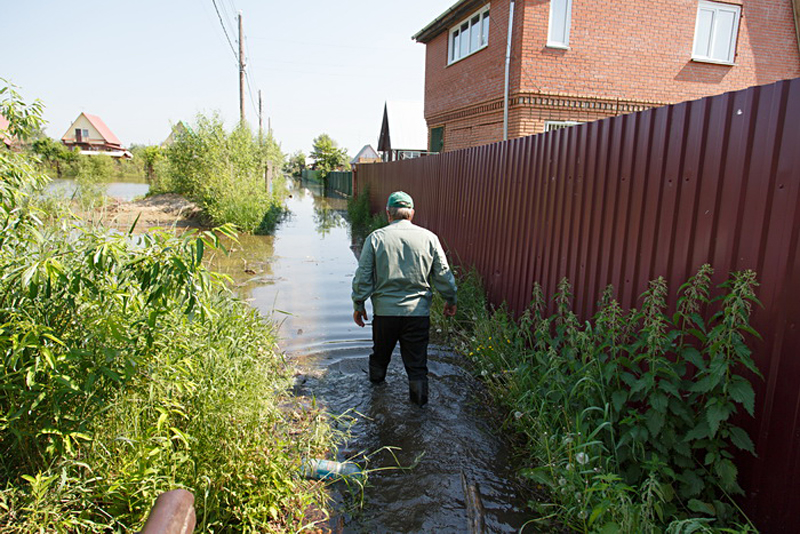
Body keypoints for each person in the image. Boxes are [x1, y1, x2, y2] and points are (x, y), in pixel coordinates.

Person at [351, 191, 457, 406]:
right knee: (417, 366)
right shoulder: (429, 238)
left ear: (388, 213)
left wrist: (359, 303)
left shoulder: (376, 238)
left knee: (380, 356)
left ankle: (375, 399)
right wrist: (450, 299)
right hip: (417, 315)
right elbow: (443, 274)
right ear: (412, 214)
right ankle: (419, 412)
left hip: (385, 314)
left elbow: (363, 275)